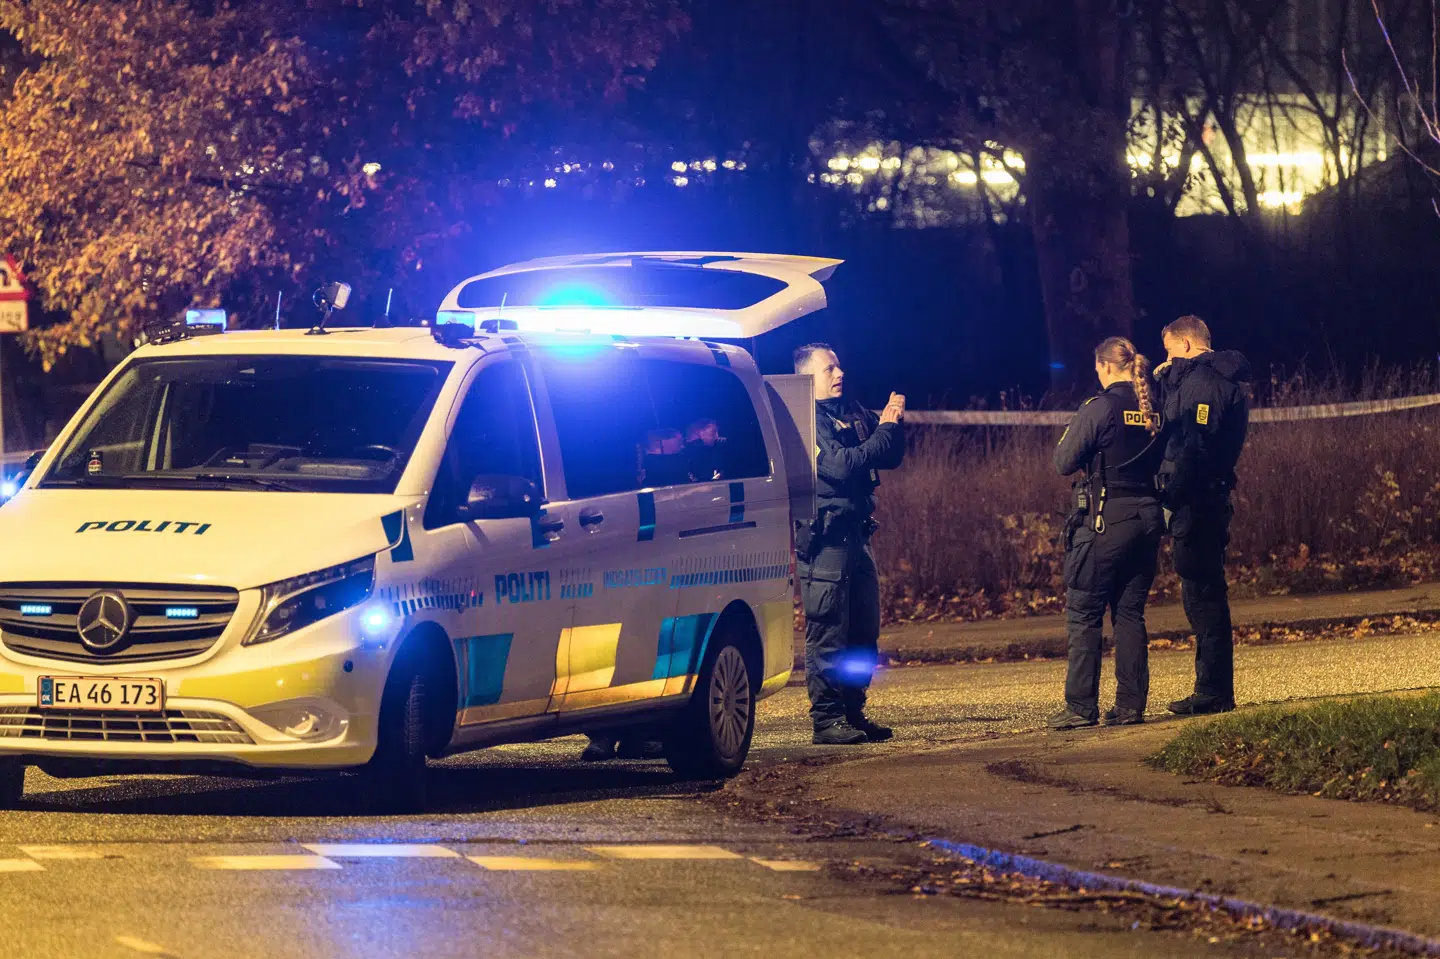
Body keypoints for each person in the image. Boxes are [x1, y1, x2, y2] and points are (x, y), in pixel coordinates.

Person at [1049, 337, 1166, 730]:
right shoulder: (1153, 407)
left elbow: (1064, 461)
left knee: (1084, 613)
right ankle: (1131, 706)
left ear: (1104, 367)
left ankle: (1081, 707)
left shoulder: (1099, 408)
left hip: (1105, 520)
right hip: (1147, 518)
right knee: (1130, 614)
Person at [793, 343, 906, 745]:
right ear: (808, 378)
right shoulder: (806, 421)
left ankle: (854, 712)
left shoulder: (852, 411)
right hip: (827, 541)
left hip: (858, 536)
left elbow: (888, 456)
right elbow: (840, 466)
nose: (839, 374)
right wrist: (882, 435)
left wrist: (892, 426)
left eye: (839, 366)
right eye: (829, 369)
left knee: (863, 631)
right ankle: (826, 720)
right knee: (827, 632)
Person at [1154, 315, 1251, 716]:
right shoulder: (1204, 380)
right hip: (1204, 500)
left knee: (1203, 595)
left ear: (1189, 346)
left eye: (1171, 351)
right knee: (1202, 592)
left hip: (1197, 502)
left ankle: (1213, 691)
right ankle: (1211, 689)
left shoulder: (1203, 385)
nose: (1168, 359)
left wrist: (1171, 495)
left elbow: (1193, 446)